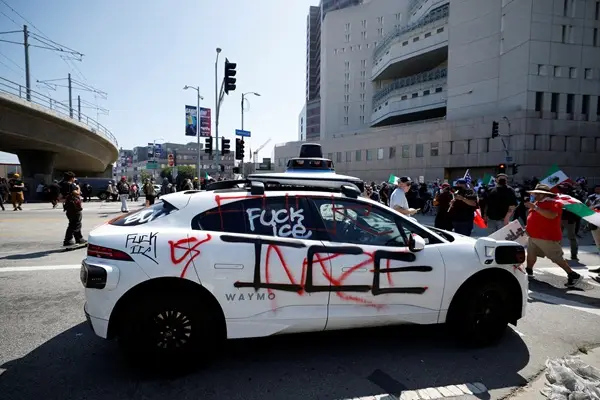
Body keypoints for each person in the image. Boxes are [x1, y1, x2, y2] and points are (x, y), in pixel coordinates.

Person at [524, 184, 581, 287]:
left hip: (547, 237)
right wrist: (527, 227)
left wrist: (535, 207)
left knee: (556, 257)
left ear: (544, 194)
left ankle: (573, 275)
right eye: (535, 193)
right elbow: (534, 217)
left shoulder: (554, 203)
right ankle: (529, 271)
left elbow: (551, 215)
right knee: (531, 255)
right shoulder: (538, 203)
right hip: (534, 235)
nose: (534, 195)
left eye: (537, 193)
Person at [62, 171, 87, 246]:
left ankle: (79, 238)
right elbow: (77, 193)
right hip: (74, 206)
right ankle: (68, 240)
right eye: (74, 178)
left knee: (74, 222)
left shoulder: (63, 184)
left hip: (68, 206)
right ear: (71, 178)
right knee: (75, 223)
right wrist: (78, 188)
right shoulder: (71, 185)